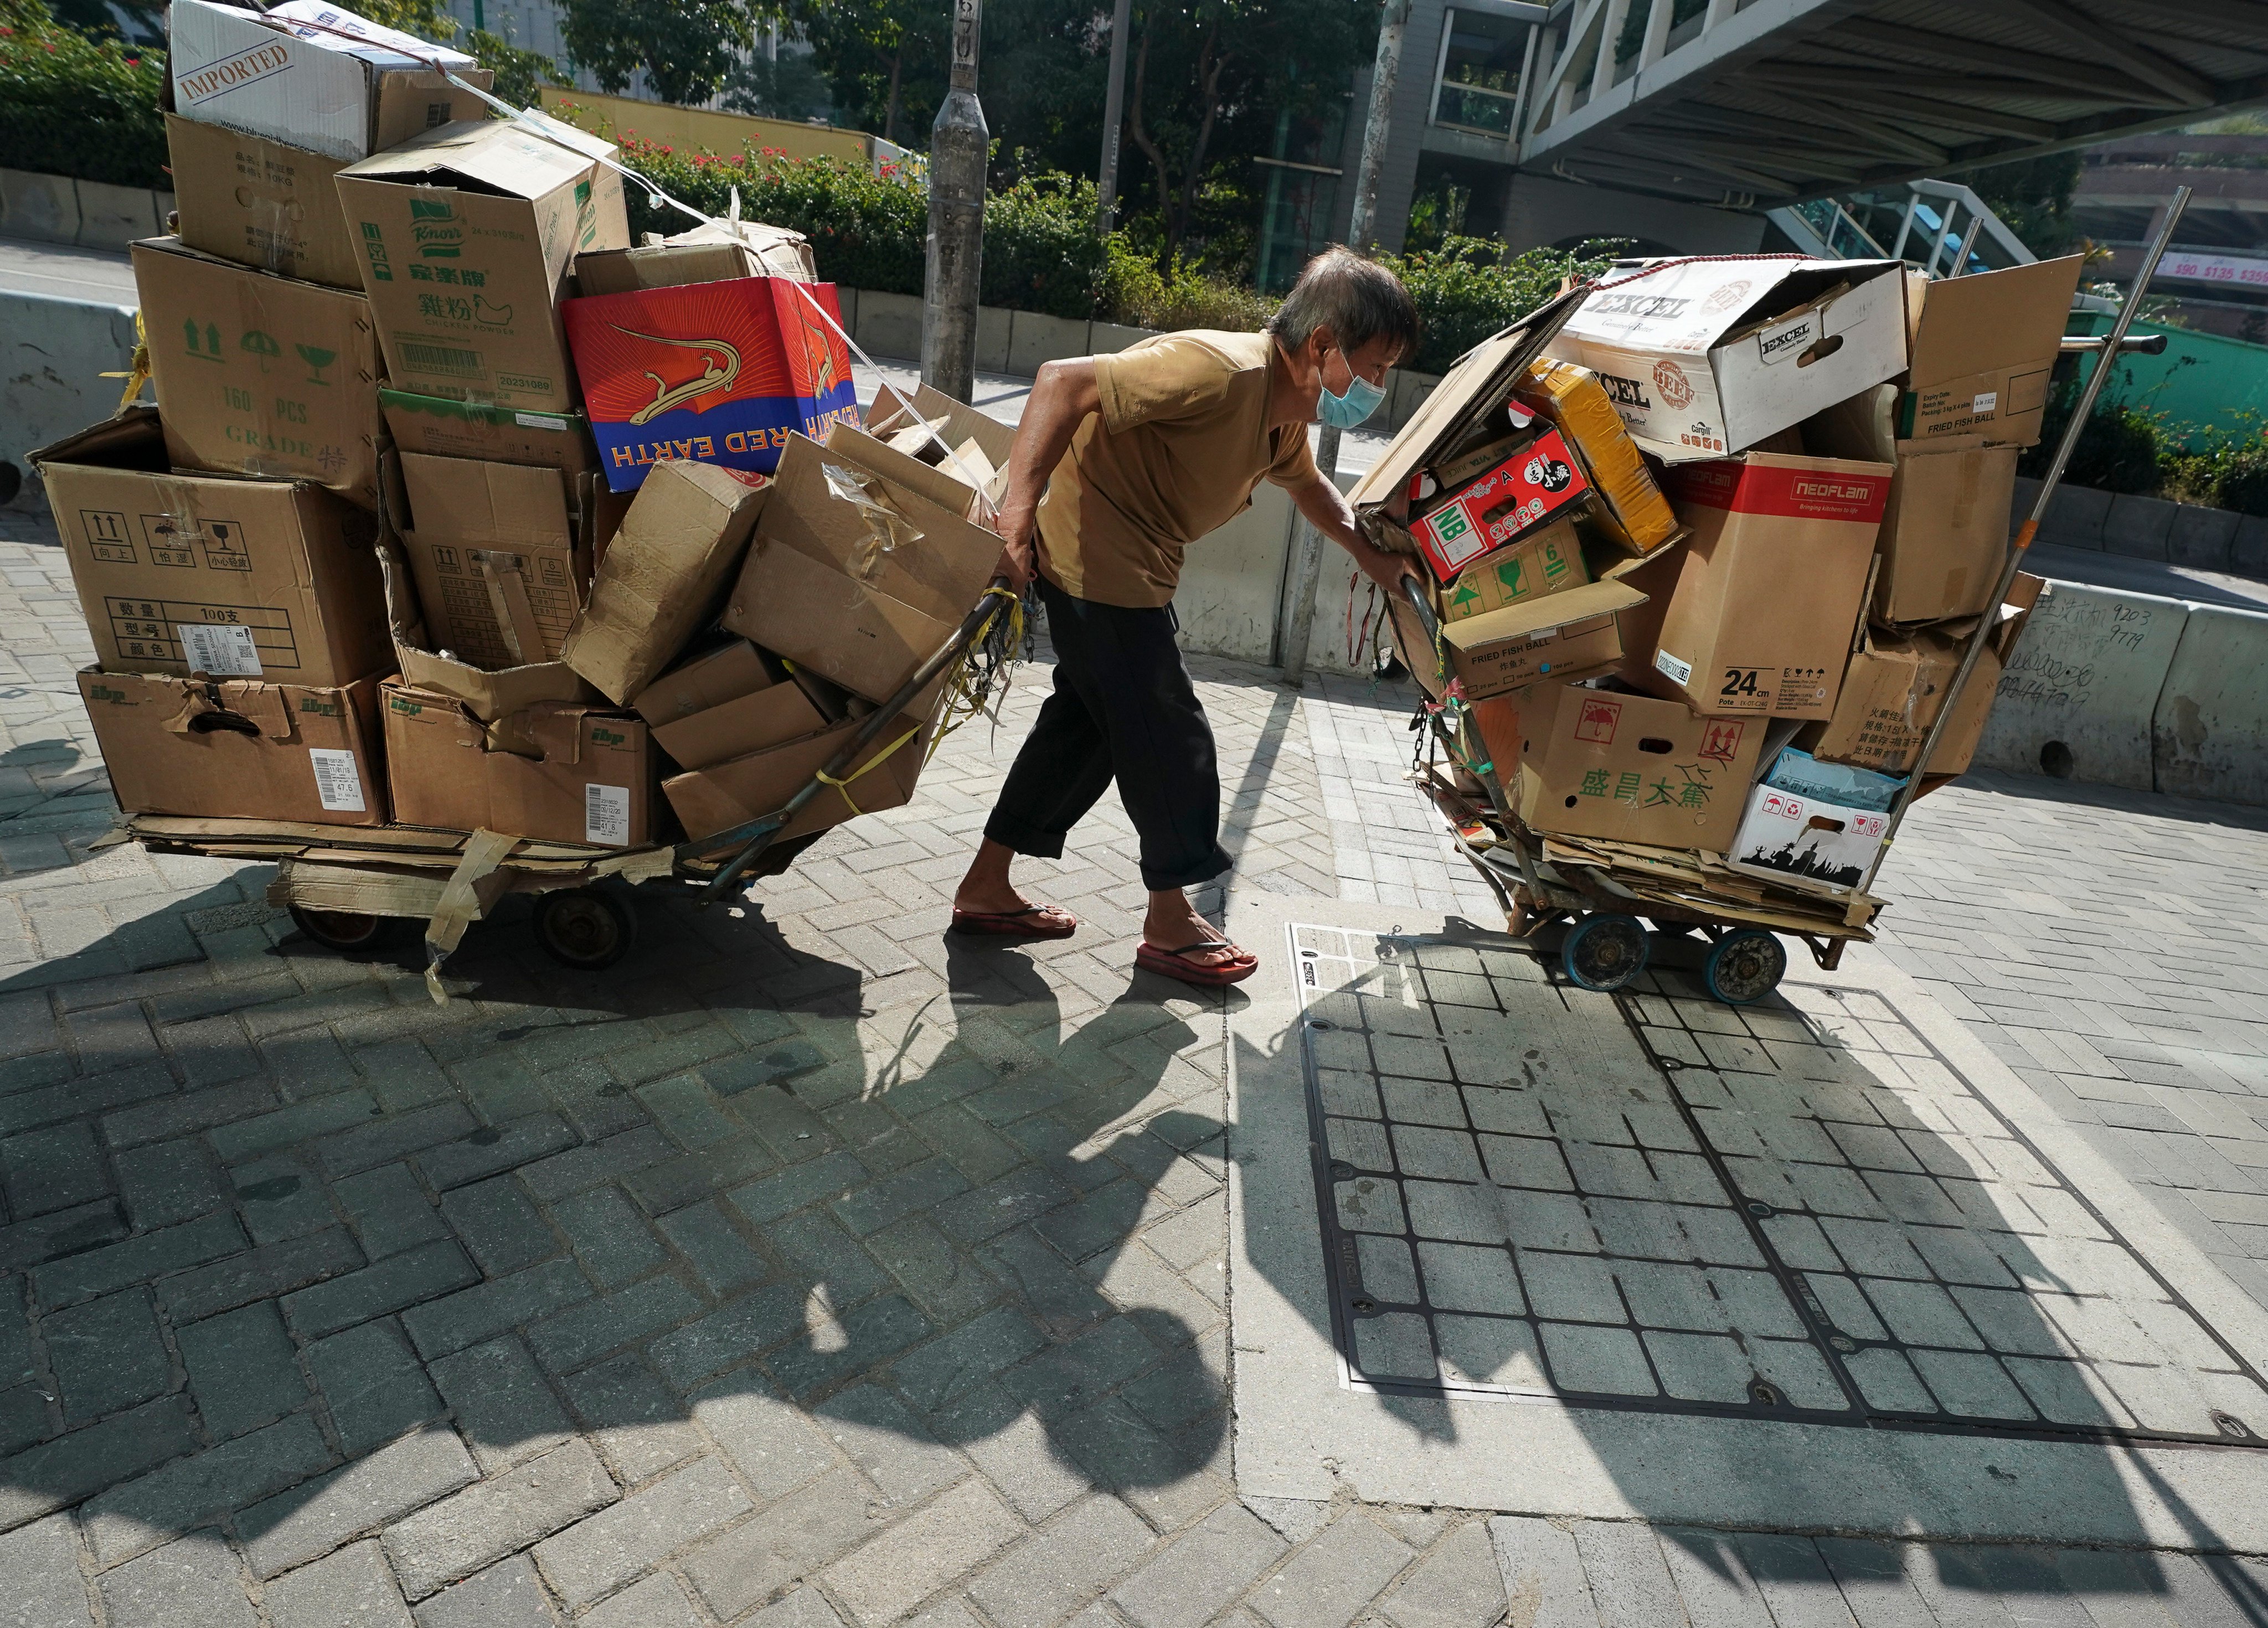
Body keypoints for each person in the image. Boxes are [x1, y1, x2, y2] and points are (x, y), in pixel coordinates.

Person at [950, 246, 1422, 987]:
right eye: (1376, 366)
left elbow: (1309, 487)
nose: (1379, 387)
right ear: (1324, 347)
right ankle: (1171, 922)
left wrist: (1370, 555)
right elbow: (1060, 382)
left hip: (1134, 569)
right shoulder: (1221, 368)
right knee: (1167, 733)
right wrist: (1014, 527)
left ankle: (987, 885)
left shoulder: (1281, 413)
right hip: (1090, 557)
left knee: (1088, 728)